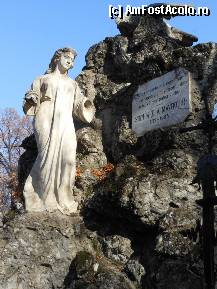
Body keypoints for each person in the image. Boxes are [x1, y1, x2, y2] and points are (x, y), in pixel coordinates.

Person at [23, 47, 95, 214]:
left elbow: (78, 104)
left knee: (68, 157)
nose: (70, 61)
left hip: (65, 122)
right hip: (45, 118)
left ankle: (63, 197)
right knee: (47, 157)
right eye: (67, 57)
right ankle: (41, 197)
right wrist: (31, 97)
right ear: (58, 58)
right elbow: (32, 96)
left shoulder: (73, 84)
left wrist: (85, 104)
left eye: (72, 60)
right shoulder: (42, 78)